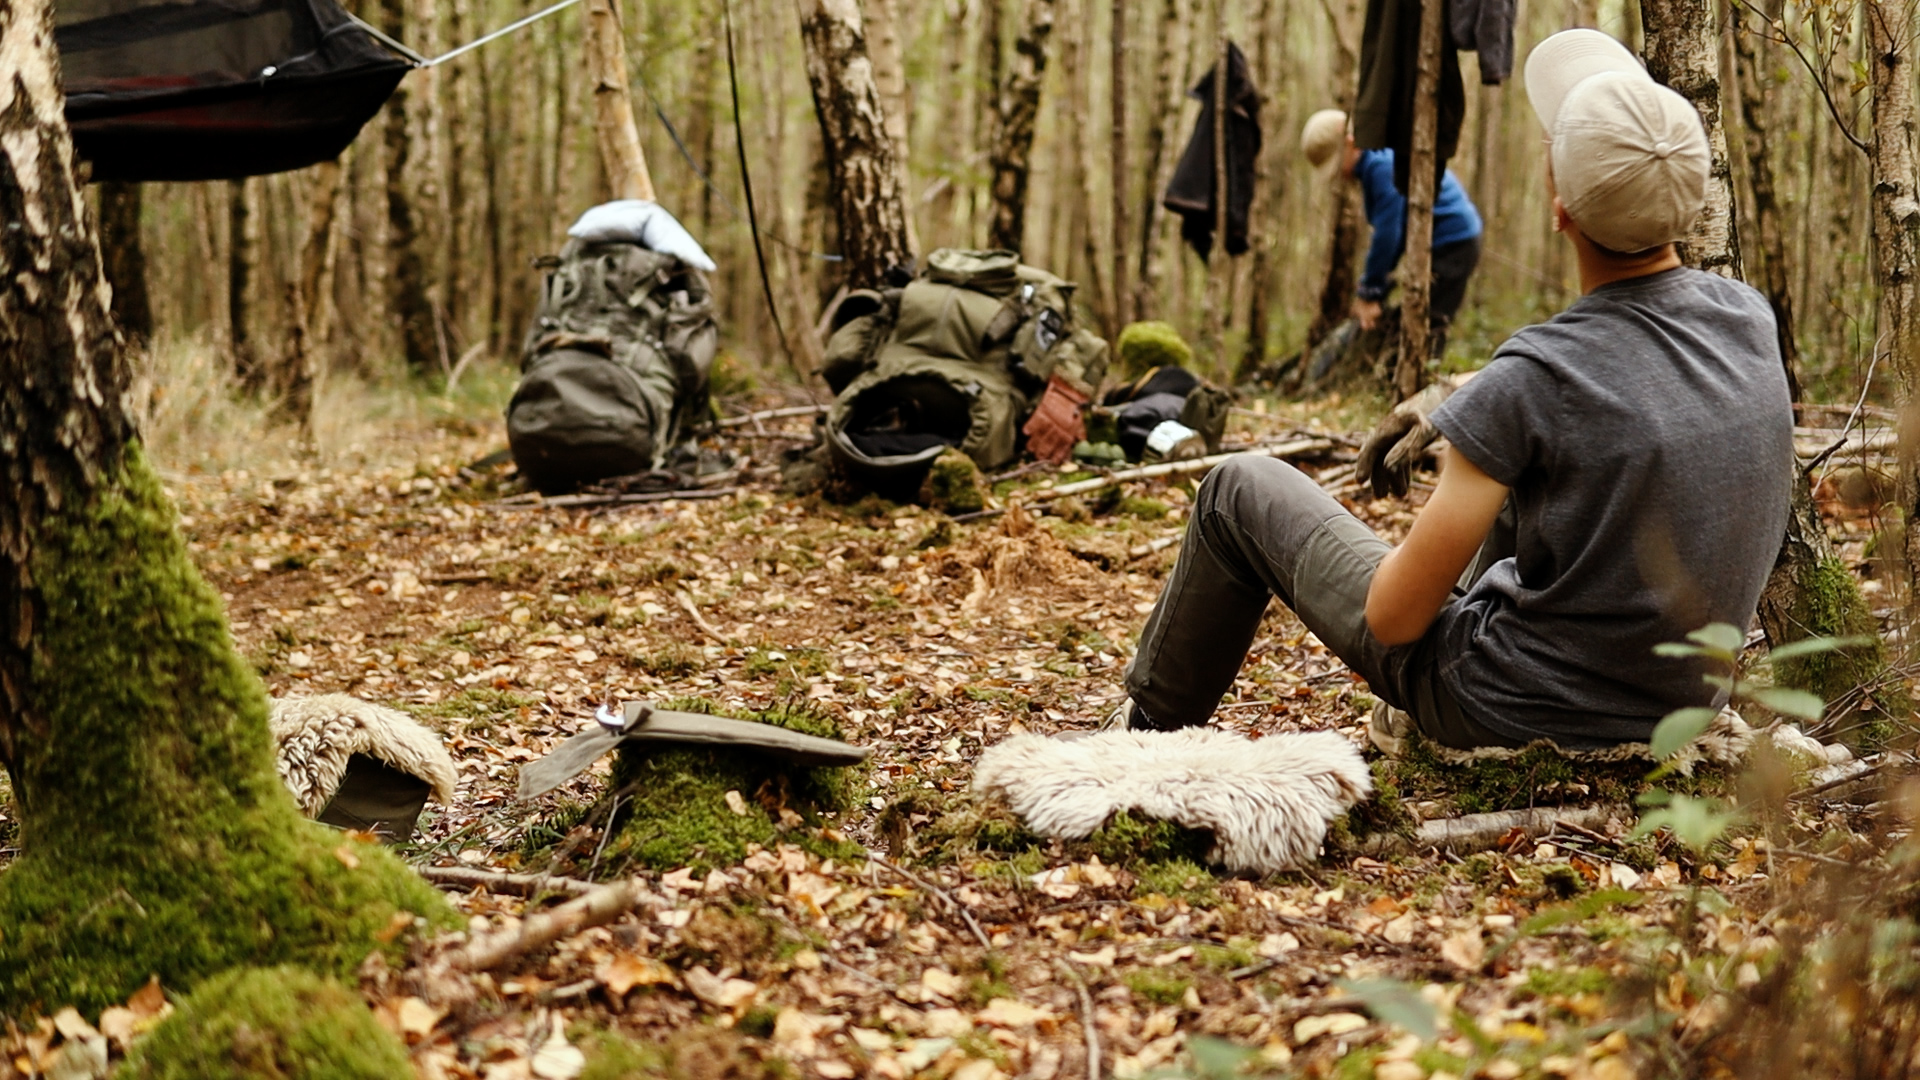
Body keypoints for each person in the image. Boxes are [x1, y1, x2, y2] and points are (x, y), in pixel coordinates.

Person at [1108, 29, 1792, 753]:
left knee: (1235, 488)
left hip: (1507, 705)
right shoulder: (1749, 320)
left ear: (1560, 207)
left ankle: (1143, 739)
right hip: (1676, 705)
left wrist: (1472, 442)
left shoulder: (1534, 378)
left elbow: (1394, 621)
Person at [1301, 108, 1484, 342]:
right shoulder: (1372, 165)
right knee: (1408, 325)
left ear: (1350, 143)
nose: (1340, 176)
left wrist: (1370, 291)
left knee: (1429, 326)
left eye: (1338, 165)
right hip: (1445, 244)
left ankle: (1421, 374)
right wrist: (1375, 287)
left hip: (1455, 243)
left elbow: (1388, 234)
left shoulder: (1380, 163)